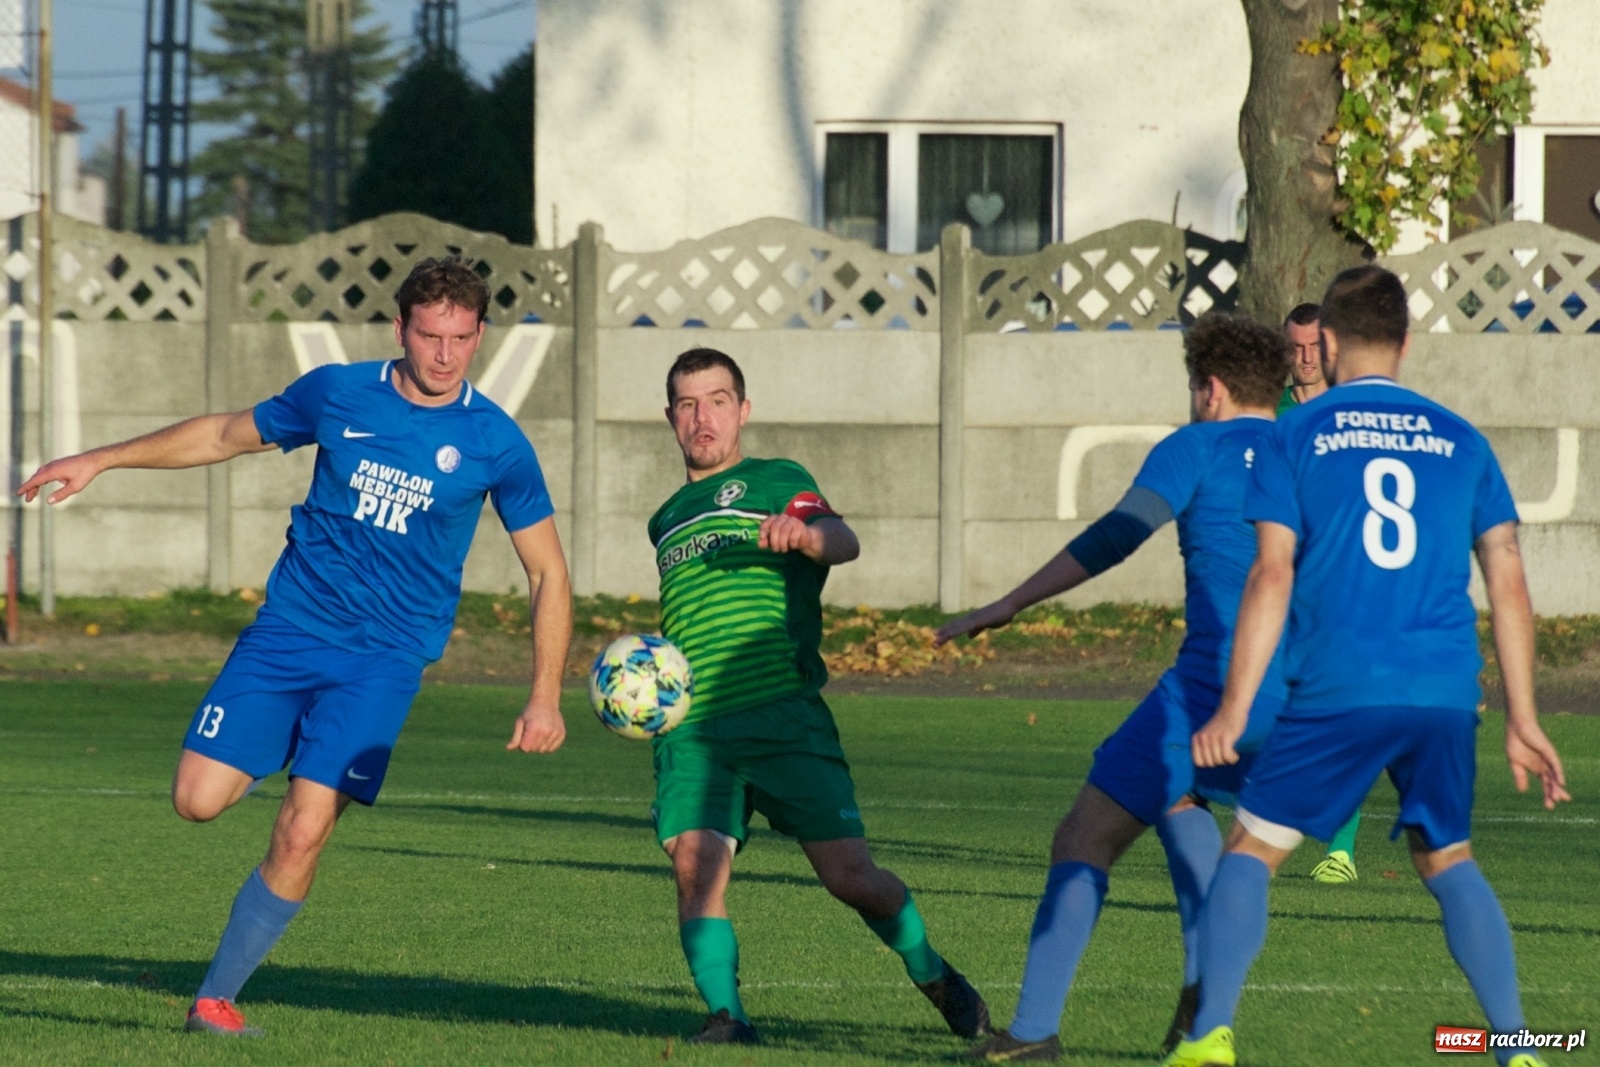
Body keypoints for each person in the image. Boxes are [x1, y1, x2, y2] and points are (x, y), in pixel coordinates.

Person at [18, 257, 574, 1037]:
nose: (444, 355)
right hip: (290, 633)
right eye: (429, 336)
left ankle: (214, 998)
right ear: (400, 329)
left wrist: (545, 695)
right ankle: (288, 742)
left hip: (383, 663)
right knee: (196, 799)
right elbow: (223, 434)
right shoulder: (338, 393)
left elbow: (548, 572)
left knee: (304, 826)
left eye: (460, 338)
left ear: (480, 335)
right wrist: (100, 458)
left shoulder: (496, 443)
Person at [1166, 265, 1570, 1067]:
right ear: (1407, 343)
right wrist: (1523, 716)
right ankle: (1518, 1045)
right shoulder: (1463, 439)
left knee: (1249, 850)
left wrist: (1234, 706)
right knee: (1447, 857)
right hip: (1444, 690)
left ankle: (1209, 1034)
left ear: (1329, 341)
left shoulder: (1295, 435)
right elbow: (1509, 579)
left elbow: (1271, 574)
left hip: (1341, 683)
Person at [939, 313, 1291, 1063]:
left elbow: (1117, 535)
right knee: (1185, 801)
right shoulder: (1308, 451)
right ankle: (1203, 1001)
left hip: (1212, 684)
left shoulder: (1196, 446)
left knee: (1084, 836)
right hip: (1303, 693)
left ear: (1211, 389)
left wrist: (1010, 602)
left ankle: (1032, 1031)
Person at [647, 346, 988, 1046]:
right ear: (671, 417)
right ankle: (728, 1018)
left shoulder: (778, 479)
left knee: (851, 878)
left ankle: (933, 972)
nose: (702, 417)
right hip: (694, 728)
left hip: (784, 716)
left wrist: (804, 536)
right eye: (687, 404)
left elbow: (842, 538)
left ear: (743, 410)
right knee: (694, 866)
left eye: (717, 401)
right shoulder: (666, 517)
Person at [1279, 302, 1360, 885]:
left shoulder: (1350, 413)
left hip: (1339, 584)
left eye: (1314, 347)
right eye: (1296, 348)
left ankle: (1342, 850)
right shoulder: (1272, 413)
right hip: (1281, 584)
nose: (1306, 359)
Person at [1278, 302, 1329, 412]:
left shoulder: (1348, 407)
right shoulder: (1269, 409)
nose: (1307, 358)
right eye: (1298, 347)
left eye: (1316, 345)